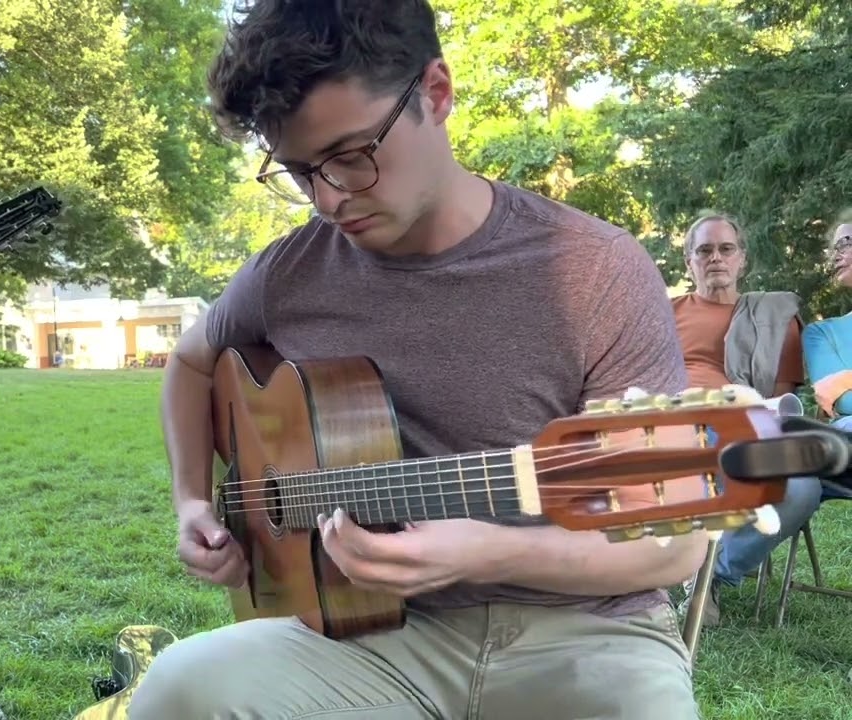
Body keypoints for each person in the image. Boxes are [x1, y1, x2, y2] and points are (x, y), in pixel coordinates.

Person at [129, 2, 706, 718]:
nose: (329, 199)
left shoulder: (594, 269)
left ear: (435, 93)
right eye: (301, 172)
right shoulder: (288, 271)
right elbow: (189, 365)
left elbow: (671, 546)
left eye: (351, 156)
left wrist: (488, 552)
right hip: (363, 635)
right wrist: (191, 499)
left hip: (587, 629)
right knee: (176, 689)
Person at [669, 211, 820, 627]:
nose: (715, 257)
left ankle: (708, 576)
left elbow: (781, 402)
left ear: (742, 259)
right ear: (689, 262)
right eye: (704, 250)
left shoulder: (773, 318)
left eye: (725, 248)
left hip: (748, 426)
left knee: (803, 487)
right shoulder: (665, 314)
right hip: (676, 424)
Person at [804, 211, 852, 432]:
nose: (836, 257)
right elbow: (845, 403)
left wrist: (846, 379)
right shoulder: (821, 333)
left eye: (845, 243)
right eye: (834, 250)